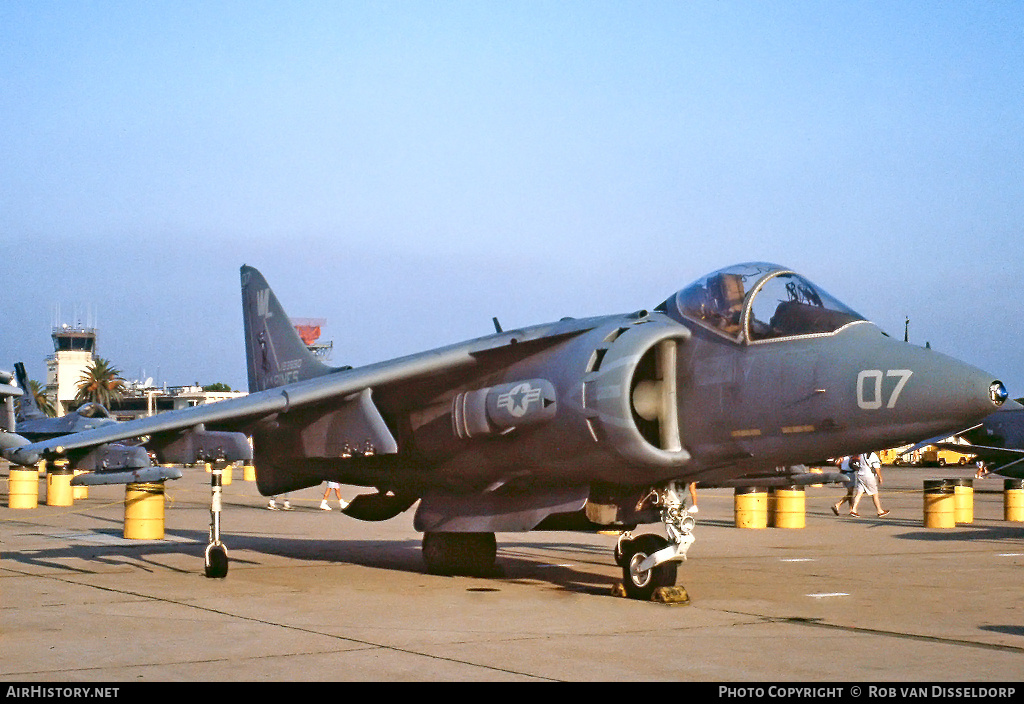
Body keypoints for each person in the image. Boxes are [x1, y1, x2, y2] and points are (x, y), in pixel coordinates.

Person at [850, 451, 889, 517]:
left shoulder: (861, 454)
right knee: (875, 494)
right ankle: (879, 511)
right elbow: (876, 467)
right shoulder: (872, 455)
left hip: (860, 474)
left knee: (859, 493)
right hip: (869, 476)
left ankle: (853, 510)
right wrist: (880, 477)